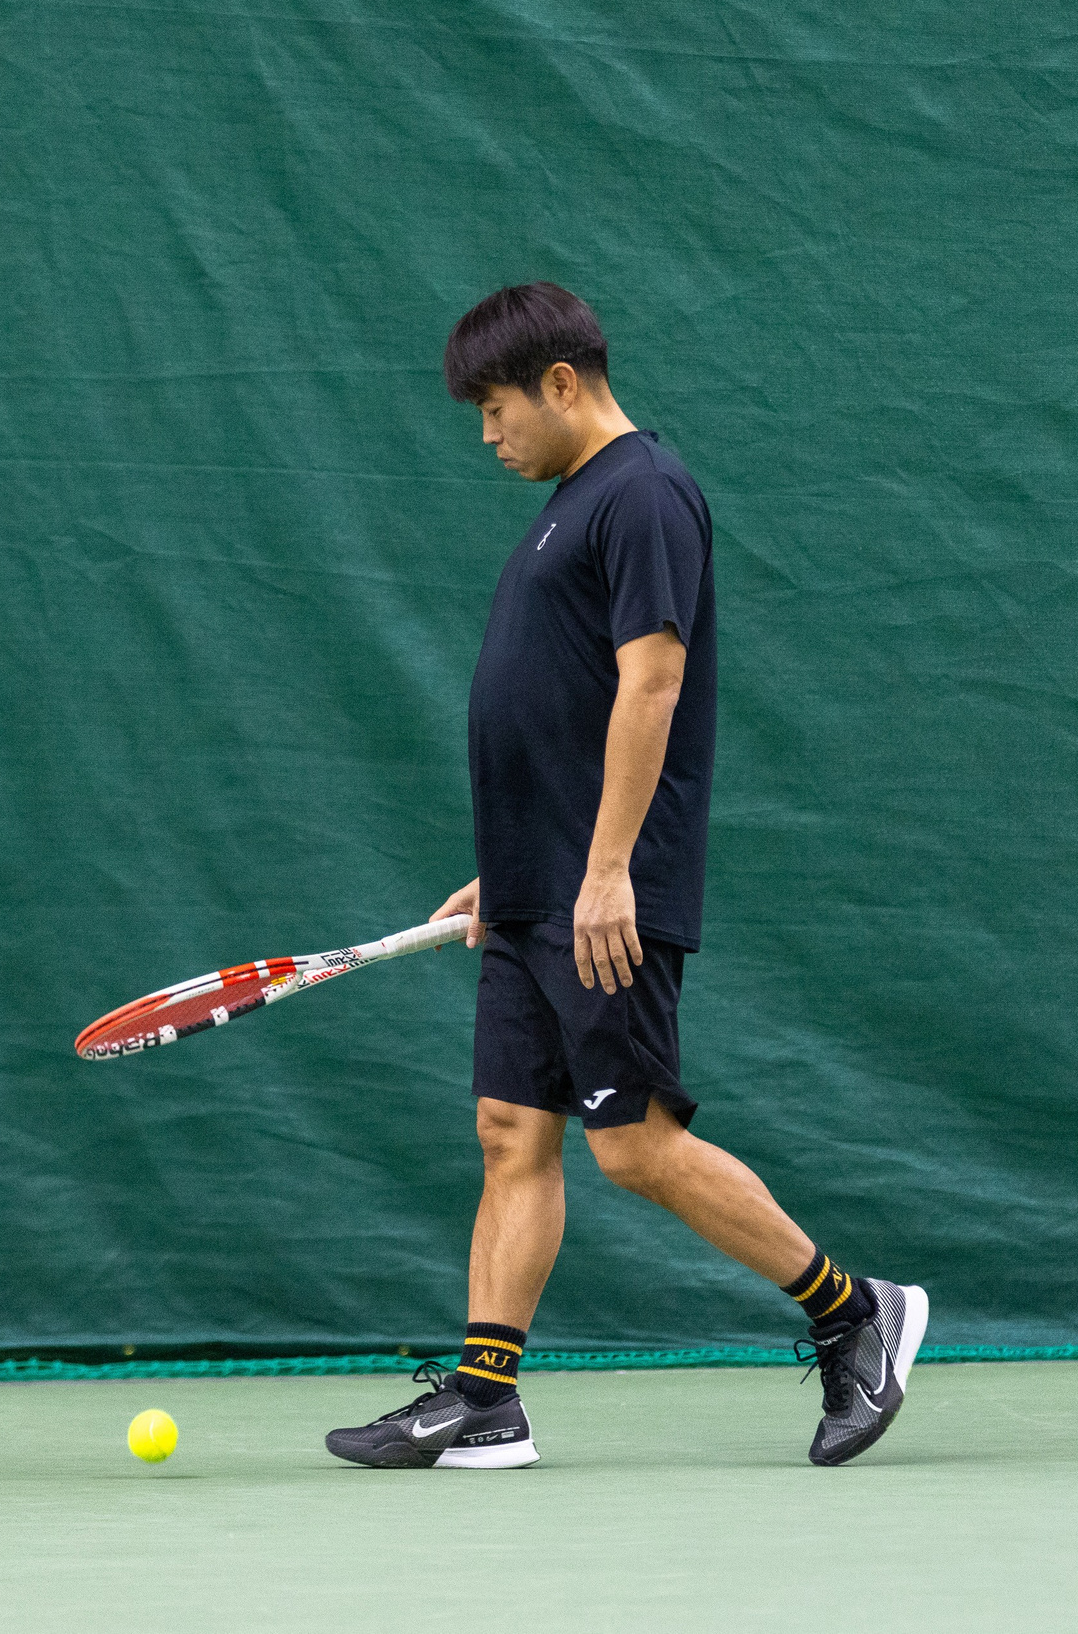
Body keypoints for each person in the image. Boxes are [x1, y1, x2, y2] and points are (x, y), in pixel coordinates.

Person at [325, 282, 927, 1470]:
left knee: (635, 1143)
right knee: (511, 1130)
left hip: (608, 893)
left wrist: (604, 875)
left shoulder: (643, 492)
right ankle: (485, 1401)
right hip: (538, 886)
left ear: (560, 382)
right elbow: (558, 709)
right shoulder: (567, 507)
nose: (485, 434)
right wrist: (506, 874)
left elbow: (650, 685)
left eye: (494, 408)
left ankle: (855, 1312)